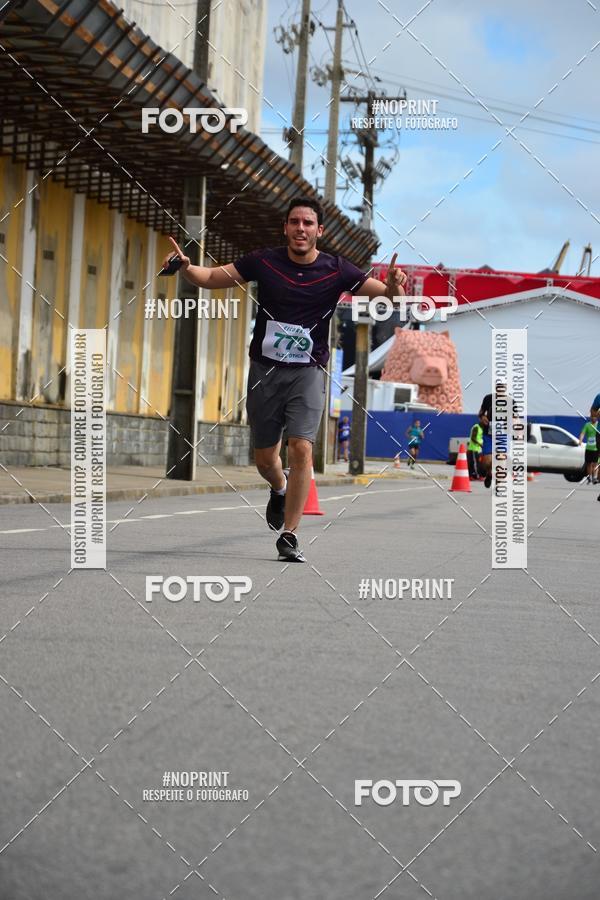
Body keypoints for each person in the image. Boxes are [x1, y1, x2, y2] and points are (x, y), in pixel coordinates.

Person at [162, 196, 407, 561]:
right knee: (265, 459)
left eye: (308, 223)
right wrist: (185, 267)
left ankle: (290, 534)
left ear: (319, 231)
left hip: (308, 372)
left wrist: (393, 284)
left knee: (302, 447)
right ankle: (278, 487)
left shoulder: (337, 269)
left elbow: (390, 298)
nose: (301, 229)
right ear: (285, 228)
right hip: (265, 372)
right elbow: (212, 277)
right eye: (294, 222)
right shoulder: (264, 261)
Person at [579, 413, 599, 484]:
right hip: (588, 448)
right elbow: (583, 433)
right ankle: (589, 477)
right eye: (592, 417)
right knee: (589, 464)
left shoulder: (598, 425)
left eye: (595, 417)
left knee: (595, 463)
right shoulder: (587, 425)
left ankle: (595, 477)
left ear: (597, 417)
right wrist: (580, 440)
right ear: (590, 417)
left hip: (596, 448)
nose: (593, 418)